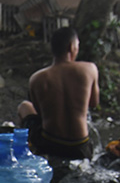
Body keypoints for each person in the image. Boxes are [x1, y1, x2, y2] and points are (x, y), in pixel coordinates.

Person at [17, 26, 100, 160]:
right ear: (71, 47)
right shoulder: (89, 69)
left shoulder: (37, 78)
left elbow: (39, 114)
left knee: (24, 106)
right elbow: (94, 102)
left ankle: (27, 153)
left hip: (50, 144)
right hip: (80, 145)